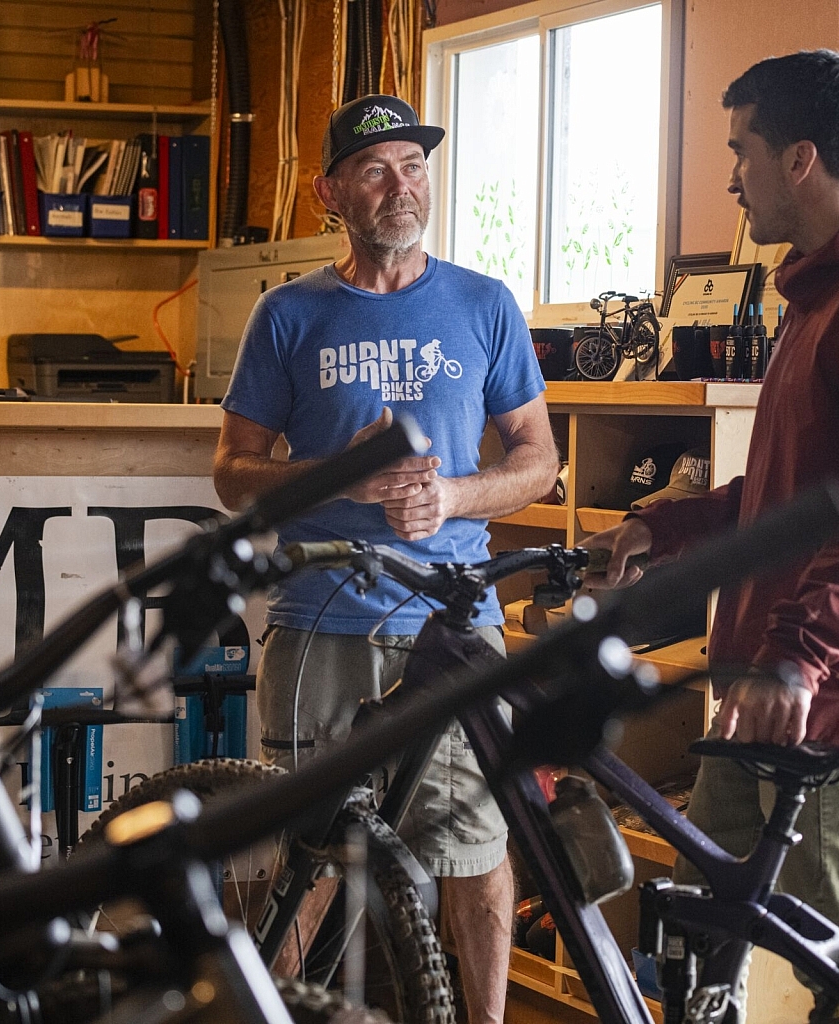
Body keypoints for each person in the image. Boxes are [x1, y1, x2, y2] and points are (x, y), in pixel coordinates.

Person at [586, 48, 839, 986]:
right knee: (694, 946)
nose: (730, 177)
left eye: (741, 150)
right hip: (765, 686)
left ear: (799, 159)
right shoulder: (824, 293)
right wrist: (658, 530)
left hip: (836, 700)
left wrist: (799, 655)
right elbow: (787, 502)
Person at [212, 94, 560, 1024]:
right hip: (319, 618)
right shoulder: (288, 315)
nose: (400, 186)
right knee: (303, 861)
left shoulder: (484, 305)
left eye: (413, 165)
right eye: (374, 169)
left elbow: (539, 460)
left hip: (452, 624)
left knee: (478, 856)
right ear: (332, 191)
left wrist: (451, 496)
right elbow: (232, 472)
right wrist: (345, 482)